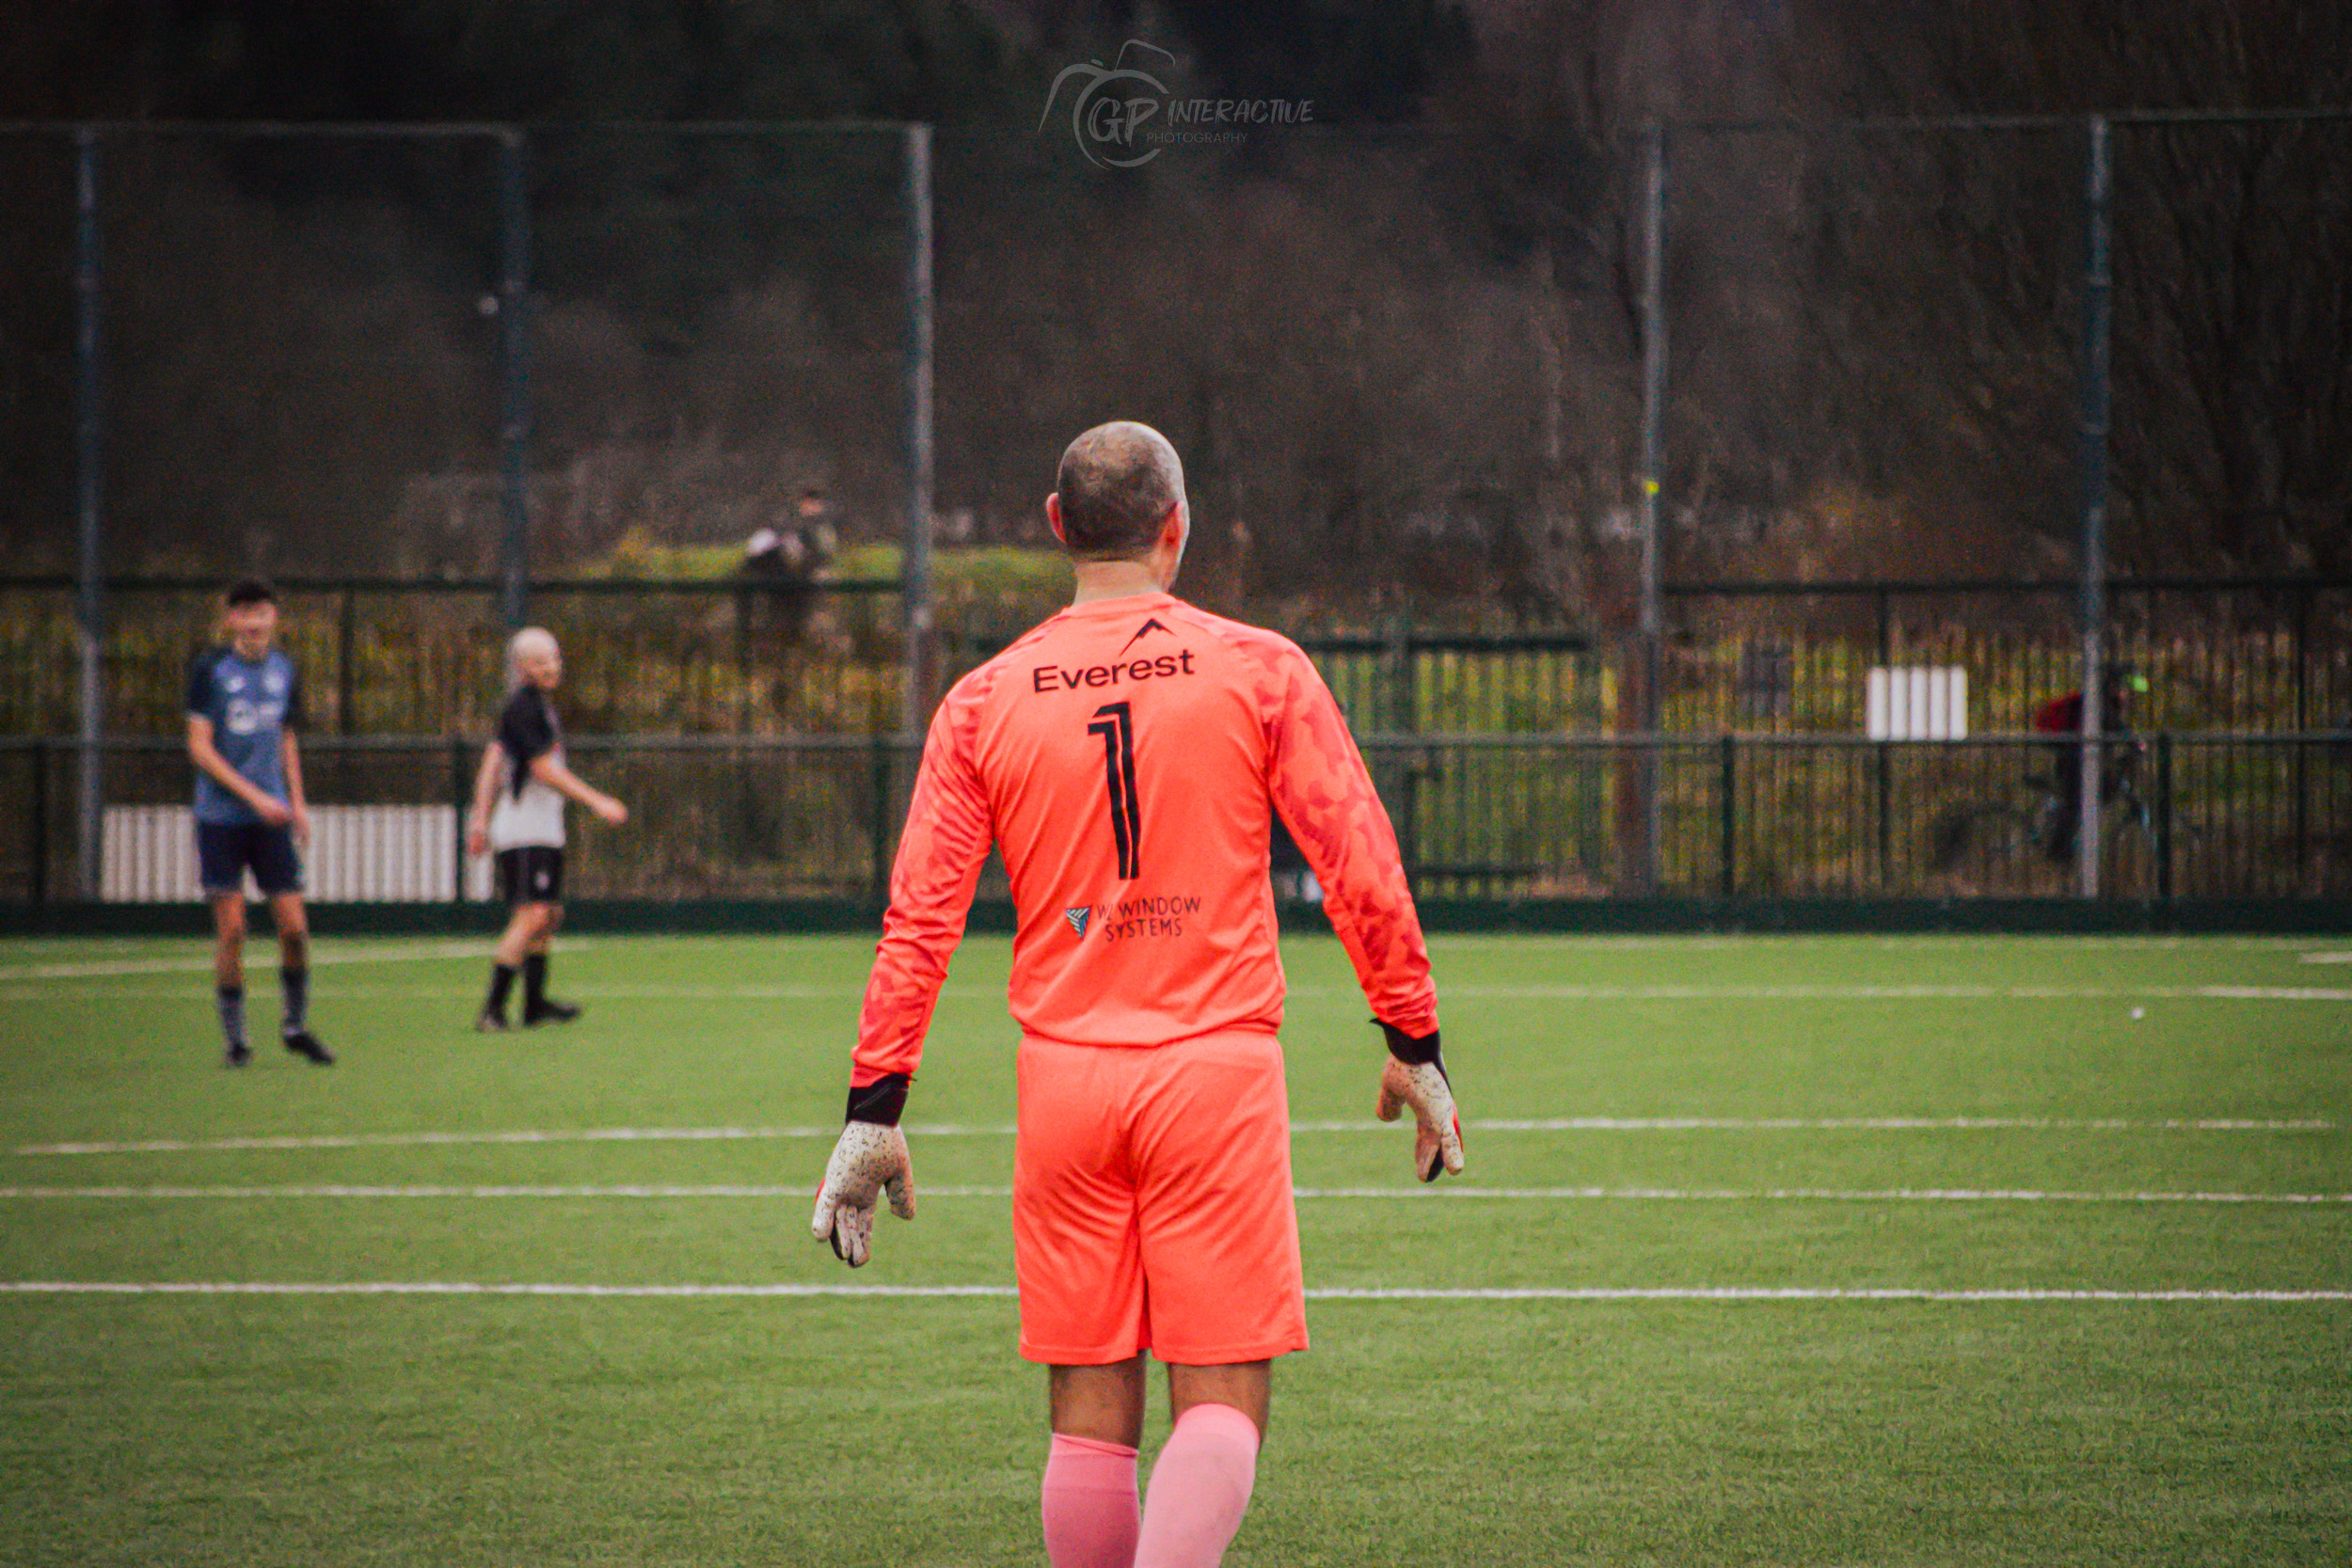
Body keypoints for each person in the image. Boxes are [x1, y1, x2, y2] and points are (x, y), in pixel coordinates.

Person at [810, 421, 1465, 1568]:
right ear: (1177, 526)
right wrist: (1413, 1038)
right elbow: (1360, 863)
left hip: (1064, 1086)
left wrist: (876, 1103)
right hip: (1212, 1074)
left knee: (1087, 1422)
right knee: (1220, 1401)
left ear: (1056, 526)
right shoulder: (1257, 666)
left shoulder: (983, 697)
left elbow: (919, 917)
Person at [184, 578, 332, 1068]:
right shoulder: (210, 670)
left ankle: (295, 1027)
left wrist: (297, 802)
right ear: (230, 619)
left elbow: (286, 738)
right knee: (232, 932)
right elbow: (199, 747)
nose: (253, 621)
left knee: (294, 929)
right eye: (244, 613)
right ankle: (237, 1042)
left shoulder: (285, 668)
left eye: (261, 612)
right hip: (221, 819)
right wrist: (254, 797)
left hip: (271, 821)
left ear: (274, 618)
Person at [465, 627, 628, 1031]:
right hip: (524, 827)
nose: (551, 667)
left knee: (549, 914)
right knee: (532, 915)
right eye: (540, 662)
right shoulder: (522, 707)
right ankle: (492, 1010)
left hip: (543, 827)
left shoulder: (539, 707)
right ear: (522, 667)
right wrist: (596, 801)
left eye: (554, 659)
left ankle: (534, 1005)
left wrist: (480, 818)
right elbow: (541, 769)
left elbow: (492, 761)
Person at [2030, 664, 2148, 863]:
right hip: (2074, 762)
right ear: (2114, 686)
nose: (2128, 696)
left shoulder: (2104, 703)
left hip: (2081, 761)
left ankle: (2066, 850)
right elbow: (2117, 727)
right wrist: (2135, 743)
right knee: (2078, 803)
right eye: (2125, 690)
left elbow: (2116, 729)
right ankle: (2058, 852)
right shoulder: (2099, 704)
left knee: (2090, 799)